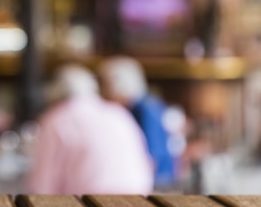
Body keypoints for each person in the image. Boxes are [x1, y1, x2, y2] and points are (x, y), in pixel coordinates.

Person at [27, 64, 154, 195]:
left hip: (91, 204)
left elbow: (43, 183)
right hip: (140, 198)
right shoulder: (118, 113)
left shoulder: (57, 118)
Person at [98, 56, 178, 188]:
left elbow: (151, 156)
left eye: (106, 87)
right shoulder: (146, 104)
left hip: (158, 183)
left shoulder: (144, 110)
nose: (104, 96)